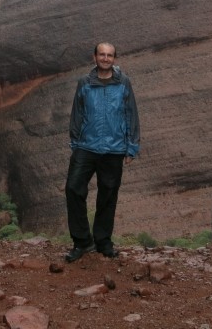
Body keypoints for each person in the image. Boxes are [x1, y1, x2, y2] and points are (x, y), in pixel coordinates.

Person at [64, 42, 140, 262]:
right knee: (73, 189)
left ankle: (103, 242)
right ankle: (82, 242)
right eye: (102, 54)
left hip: (114, 148)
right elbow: (77, 113)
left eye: (110, 55)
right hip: (86, 146)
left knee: (108, 196)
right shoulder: (85, 83)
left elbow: (131, 114)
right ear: (94, 57)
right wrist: (75, 142)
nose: (106, 58)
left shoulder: (123, 83)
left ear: (114, 58)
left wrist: (131, 146)